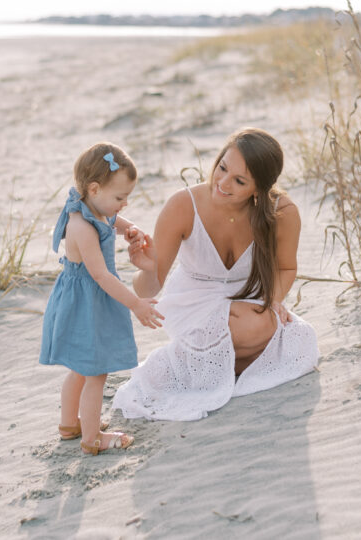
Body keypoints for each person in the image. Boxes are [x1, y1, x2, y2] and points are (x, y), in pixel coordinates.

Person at [112, 128, 319, 421]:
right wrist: (146, 267)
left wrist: (272, 301)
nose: (222, 182)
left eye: (239, 181)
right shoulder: (183, 205)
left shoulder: (281, 211)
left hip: (248, 298)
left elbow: (285, 268)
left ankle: (211, 365)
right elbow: (148, 290)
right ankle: (196, 364)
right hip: (193, 302)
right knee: (257, 330)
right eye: (222, 167)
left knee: (300, 339)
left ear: (258, 189)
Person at [39, 142, 165, 454]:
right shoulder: (81, 225)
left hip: (89, 299)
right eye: (120, 198)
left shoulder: (96, 209)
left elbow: (112, 222)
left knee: (81, 368)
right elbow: (101, 275)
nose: (124, 204)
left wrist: (130, 229)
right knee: (96, 371)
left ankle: (70, 424)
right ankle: (91, 438)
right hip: (87, 302)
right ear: (94, 189)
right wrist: (135, 303)